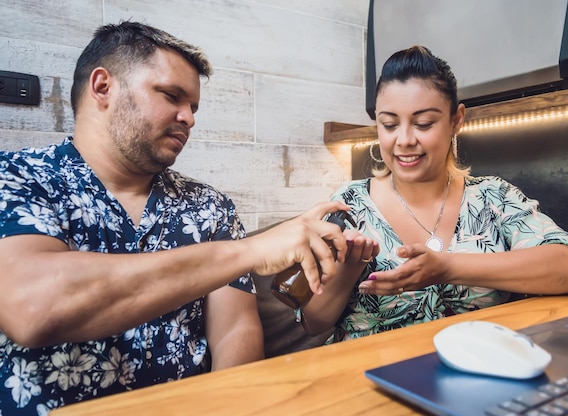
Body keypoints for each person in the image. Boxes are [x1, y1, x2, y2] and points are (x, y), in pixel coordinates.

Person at [0, 21, 352, 415]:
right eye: (171, 96)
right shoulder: (17, 177)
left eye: (194, 107)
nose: (189, 118)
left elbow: (235, 330)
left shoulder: (209, 206)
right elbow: (32, 306)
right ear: (103, 87)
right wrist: (247, 252)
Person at [301, 45, 568, 343]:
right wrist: (347, 270)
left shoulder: (492, 197)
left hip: (480, 371)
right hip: (365, 376)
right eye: (389, 124)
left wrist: (447, 267)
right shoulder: (350, 205)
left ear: (456, 120)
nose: (404, 140)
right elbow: (313, 323)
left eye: (424, 123)